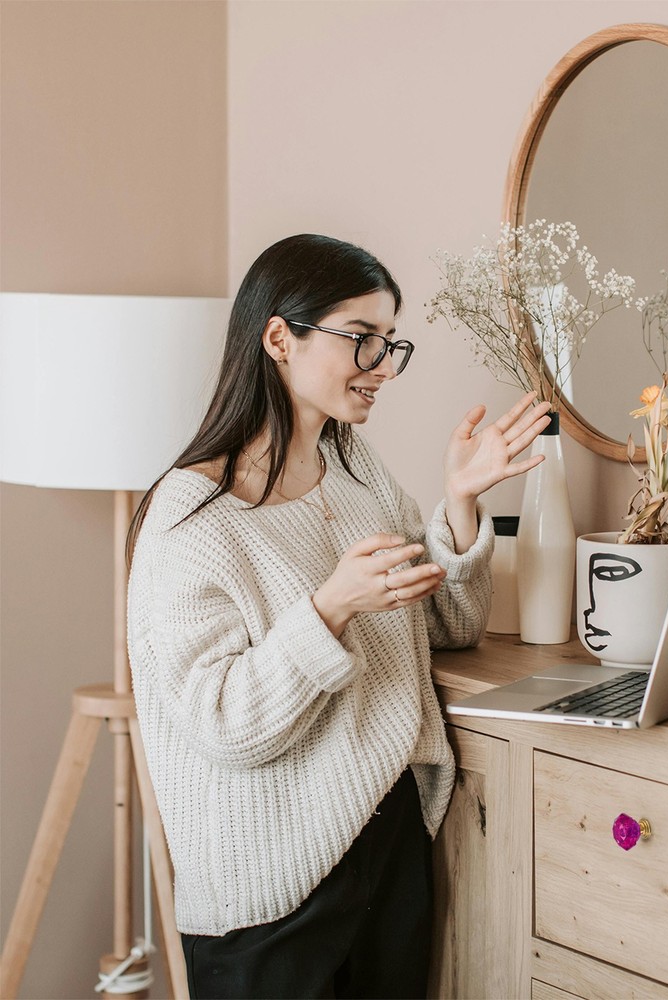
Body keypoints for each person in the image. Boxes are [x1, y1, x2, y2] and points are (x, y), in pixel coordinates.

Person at [126, 234, 550, 999]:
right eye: (362, 340)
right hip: (271, 891)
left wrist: (458, 502)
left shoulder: (356, 472)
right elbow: (222, 725)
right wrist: (329, 609)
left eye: (392, 343)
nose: (383, 367)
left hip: (384, 851)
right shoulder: (192, 516)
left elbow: (446, 626)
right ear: (279, 337)